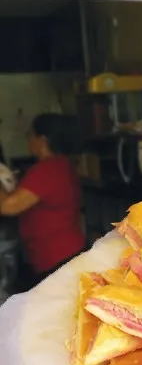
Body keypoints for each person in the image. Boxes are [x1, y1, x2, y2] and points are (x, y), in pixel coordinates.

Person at [0, 114, 85, 289]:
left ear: (42, 139)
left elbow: (7, 206)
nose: (28, 140)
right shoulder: (59, 165)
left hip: (57, 258)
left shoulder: (47, 170)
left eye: (30, 135)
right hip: (60, 255)